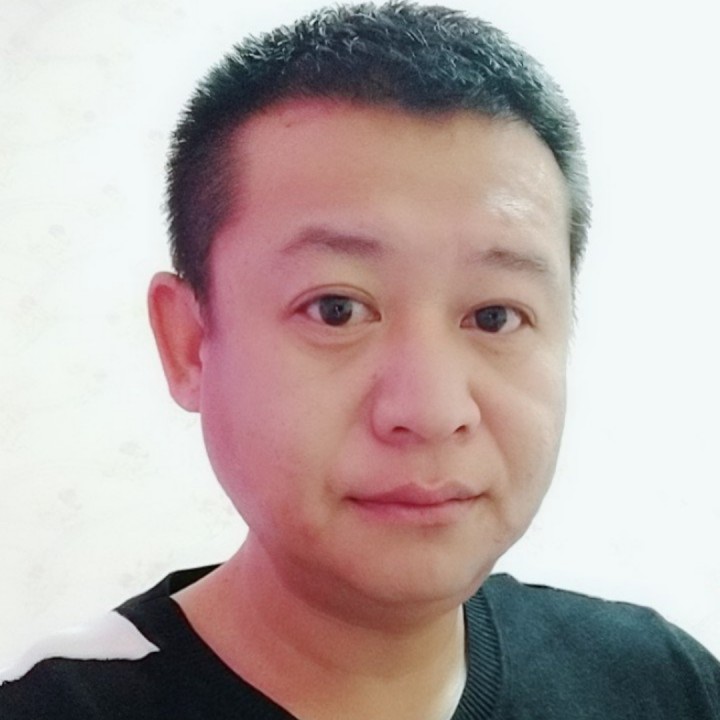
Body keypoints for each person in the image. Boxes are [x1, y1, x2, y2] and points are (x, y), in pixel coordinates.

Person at [1, 2, 718, 718]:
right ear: (188, 343)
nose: (431, 411)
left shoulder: (663, 684)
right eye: (336, 309)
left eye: (494, 316)